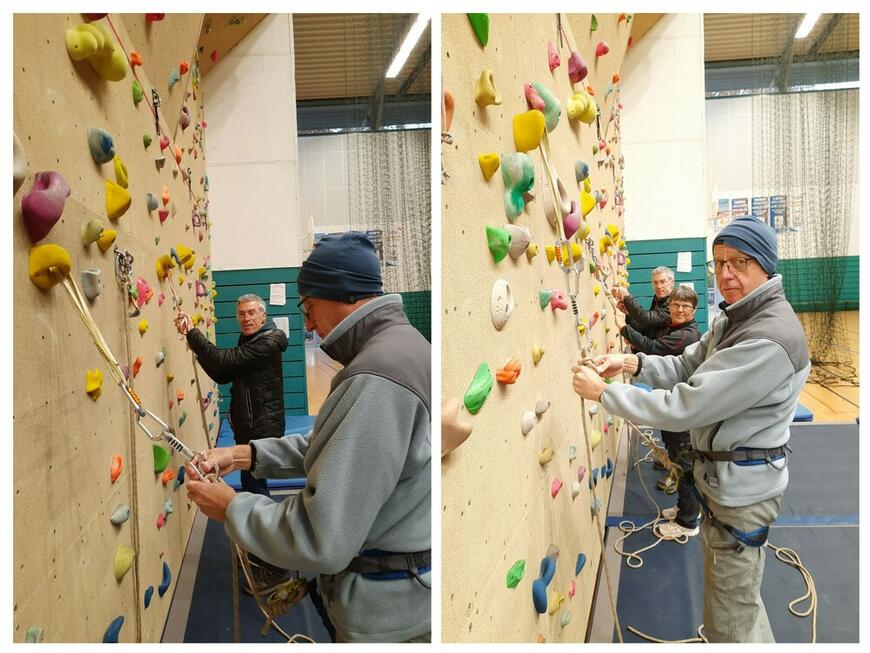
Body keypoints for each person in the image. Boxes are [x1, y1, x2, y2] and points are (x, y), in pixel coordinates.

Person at [183, 232, 431, 643]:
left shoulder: (375, 378)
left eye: (309, 306)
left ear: (342, 292)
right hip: (399, 595)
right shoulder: (402, 348)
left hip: (389, 617)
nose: (309, 322)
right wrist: (243, 455)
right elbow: (333, 443)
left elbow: (322, 538)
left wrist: (232, 509)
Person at [572, 216, 810, 642]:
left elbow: (686, 405)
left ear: (766, 266)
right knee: (737, 603)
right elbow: (685, 365)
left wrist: (605, 394)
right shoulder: (736, 318)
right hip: (726, 486)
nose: (726, 275)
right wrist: (630, 363)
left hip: (742, 496)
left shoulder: (767, 338)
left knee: (730, 623)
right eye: (718, 263)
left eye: (739, 262)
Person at [176, 294, 287, 499]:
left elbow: (224, 361)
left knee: (254, 480)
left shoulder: (268, 343)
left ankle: (259, 523)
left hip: (261, 425)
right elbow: (225, 374)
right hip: (249, 422)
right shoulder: (249, 339)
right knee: (252, 479)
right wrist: (198, 351)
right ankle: (257, 519)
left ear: (263, 316)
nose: (246, 319)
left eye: (252, 313)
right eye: (242, 314)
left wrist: (193, 333)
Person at [616, 285, 702, 539]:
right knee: (677, 460)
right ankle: (685, 508)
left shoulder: (686, 336)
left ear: (693, 310)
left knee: (685, 465)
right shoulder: (672, 327)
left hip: (682, 409)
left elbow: (651, 348)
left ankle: (688, 522)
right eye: (675, 304)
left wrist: (621, 327)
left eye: (685, 306)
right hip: (672, 404)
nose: (679, 309)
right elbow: (647, 330)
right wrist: (629, 319)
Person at [611, 265, 675, 349]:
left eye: (662, 282)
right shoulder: (659, 300)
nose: (659, 286)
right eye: (655, 282)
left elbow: (647, 319)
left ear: (672, 283)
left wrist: (626, 297)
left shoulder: (674, 303)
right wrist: (628, 313)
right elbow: (647, 327)